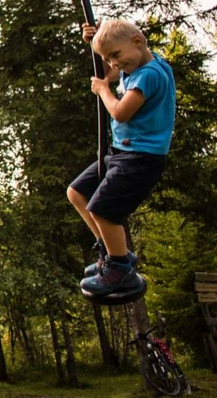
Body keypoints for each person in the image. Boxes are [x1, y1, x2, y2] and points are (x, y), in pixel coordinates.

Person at [67, 19, 176, 298]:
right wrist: (91, 45)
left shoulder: (149, 74)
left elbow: (120, 112)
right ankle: (112, 252)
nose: (114, 64)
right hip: (122, 153)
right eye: (108, 58)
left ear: (138, 41)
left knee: (103, 209)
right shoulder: (134, 65)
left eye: (115, 56)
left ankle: (120, 269)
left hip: (140, 158)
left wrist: (103, 90)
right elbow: (106, 74)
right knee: (77, 192)